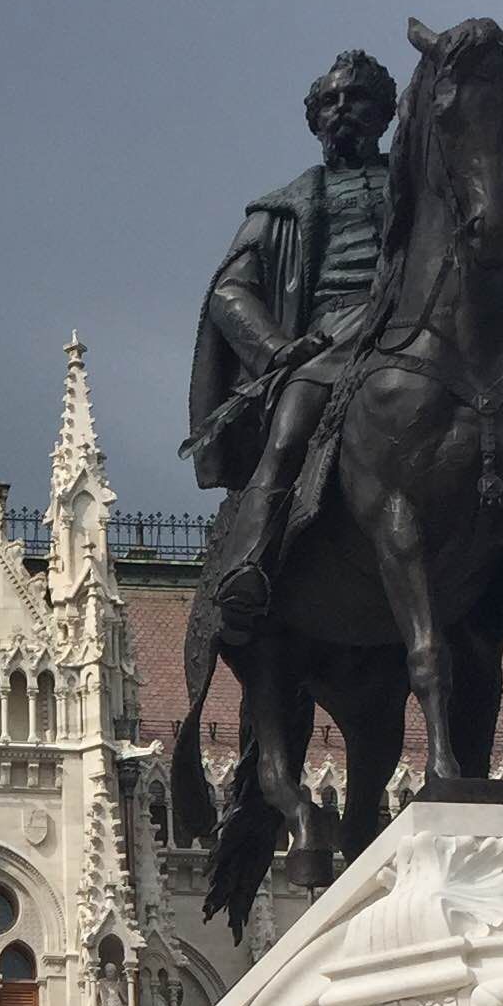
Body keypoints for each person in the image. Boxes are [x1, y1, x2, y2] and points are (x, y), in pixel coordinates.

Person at [185, 47, 401, 621]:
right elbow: (229, 294)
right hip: (330, 337)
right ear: (314, 121)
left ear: (386, 115)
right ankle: (248, 560)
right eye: (329, 101)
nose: (341, 110)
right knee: (292, 427)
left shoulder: (425, 190)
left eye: (357, 100)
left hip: (411, 325)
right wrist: (279, 350)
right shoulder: (284, 210)